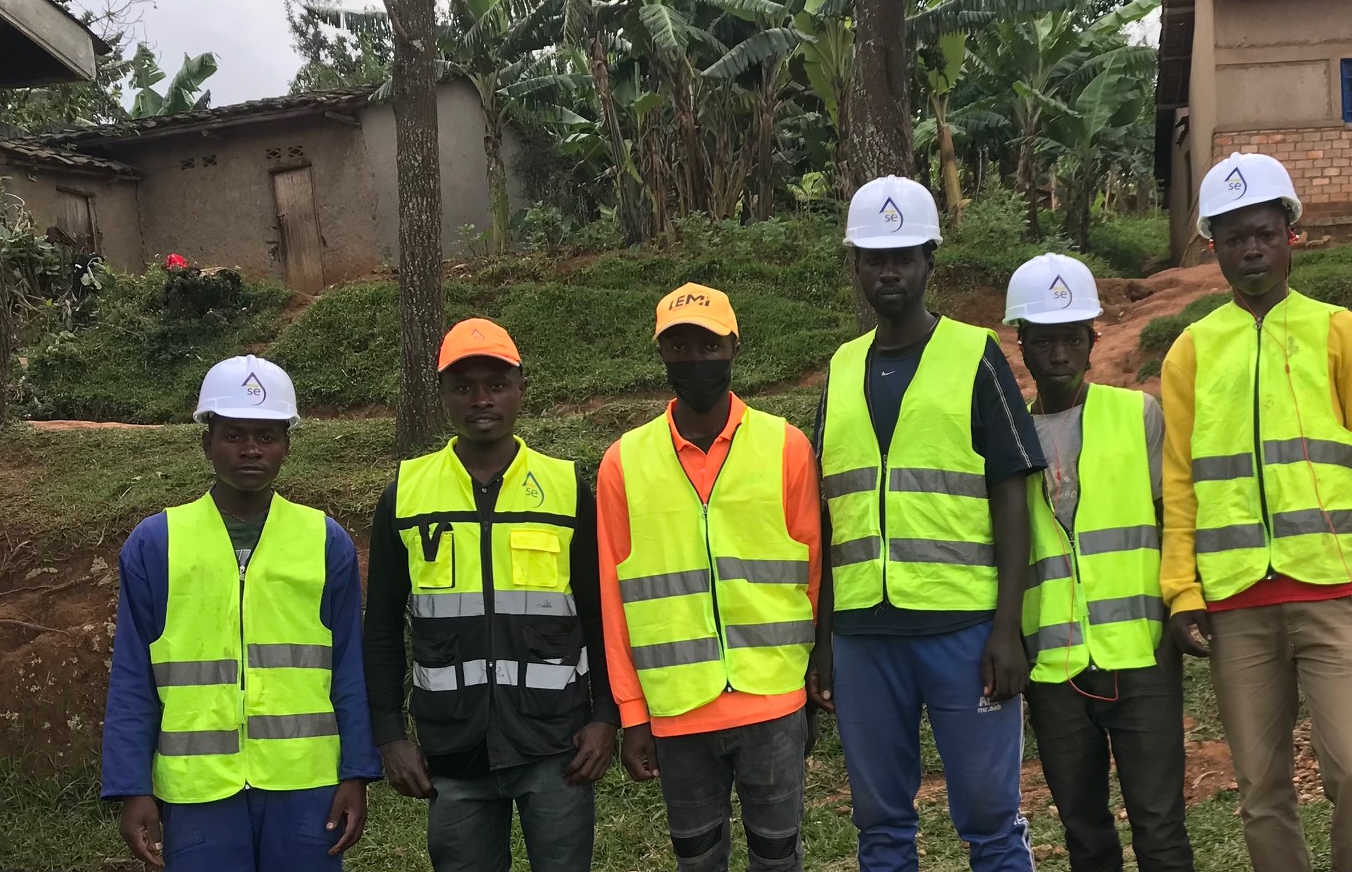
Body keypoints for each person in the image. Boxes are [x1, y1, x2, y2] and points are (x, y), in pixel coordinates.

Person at [1158, 152, 1352, 872]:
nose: (1250, 247)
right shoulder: (1188, 352)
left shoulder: (1338, 332)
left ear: (1290, 235)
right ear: (1212, 245)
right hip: (1235, 603)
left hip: (1331, 593)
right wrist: (1181, 588)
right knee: (1260, 791)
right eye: (1233, 235)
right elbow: (1178, 483)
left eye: (1264, 232)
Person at [810, 175, 1044, 872]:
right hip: (862, 638)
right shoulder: (840, 368)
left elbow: (1011, 492)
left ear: (929, 263)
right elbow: (826, 511)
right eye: (875, 257)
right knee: (880, 825)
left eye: (904, 255)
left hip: (962, 632)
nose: (889, 270)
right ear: (854, 266)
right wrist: (824, 636)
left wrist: (1008, 626)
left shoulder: (973, 355)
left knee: (990, 819)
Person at [101, 355, 378, 872]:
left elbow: (350, 670)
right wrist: (132, 787)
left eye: (267, 435)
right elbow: (132, 676)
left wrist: (356, 772)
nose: (251, 449)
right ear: (207, 441)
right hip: (197, 787)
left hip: (306, 783)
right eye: (234, 435)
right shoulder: (155, 544)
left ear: (286, 445)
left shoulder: (325, 541)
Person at [363, 319, 618, 872]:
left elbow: (600, 614)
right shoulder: (405, 494)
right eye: (464, 386)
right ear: (444, 396)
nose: (481, 399)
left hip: (558, 745)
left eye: (496, 384)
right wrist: (389, 735)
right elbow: (381, 625)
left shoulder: (567, 489)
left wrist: (606, 715)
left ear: (521, 388)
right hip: (452, 752)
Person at [597, 283, 823, 872]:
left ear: (734, 348)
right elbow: (613, 600)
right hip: (677, 710)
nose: (694, 358)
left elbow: (815, 576)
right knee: (698, 861)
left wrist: (807, 692)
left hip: (772, 702)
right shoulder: (624, 463)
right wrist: (632, 713)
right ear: (661, 355)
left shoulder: (787, 448)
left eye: (708, 344)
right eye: (679, 346)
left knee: (779, 858)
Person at [1009, 254, 1194, 872]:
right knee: (1085, 835)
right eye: (1043, 340)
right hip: (1056, 666)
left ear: (1092, 340)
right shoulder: (1007, 437)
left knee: (1161, 830)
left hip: (1141, 655)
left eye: (1071, 338)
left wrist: (1180, 606)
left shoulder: (1136, 415)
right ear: (1023, 345)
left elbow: (1173, 518)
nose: (1058, 353)